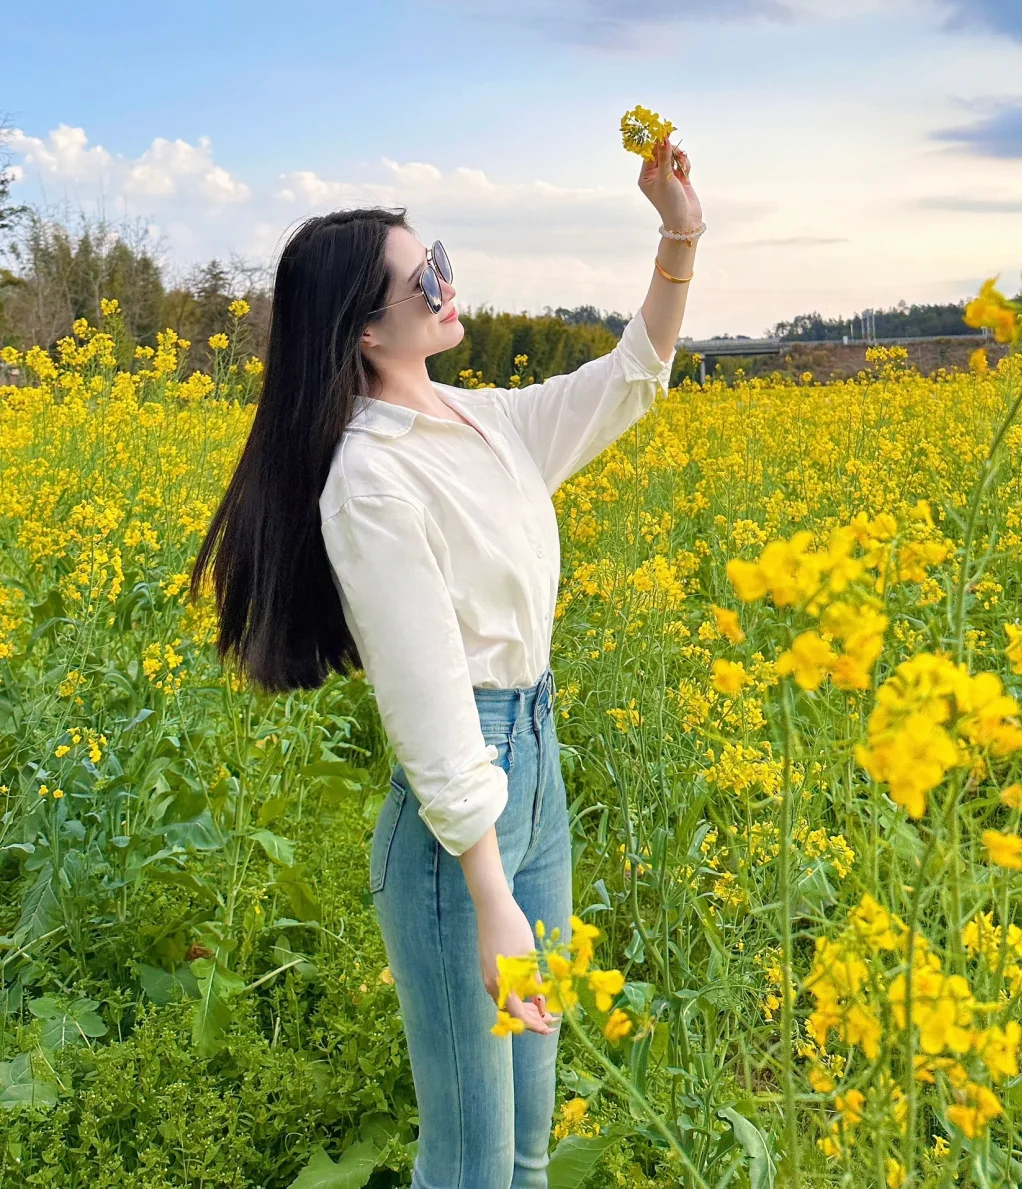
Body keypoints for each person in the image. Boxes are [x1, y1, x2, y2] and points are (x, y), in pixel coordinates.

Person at [192, 136, 703, 1188]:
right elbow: (429, 705)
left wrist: (677, 232)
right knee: (471, 1158)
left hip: (536, 781)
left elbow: (632, 378)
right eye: (425, 275)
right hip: (456, 839)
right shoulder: (371, 481)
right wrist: (489, 891)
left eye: (445, 259)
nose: (448, 283)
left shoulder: (483, 421)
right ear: (367, 327)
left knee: (527, 1138)